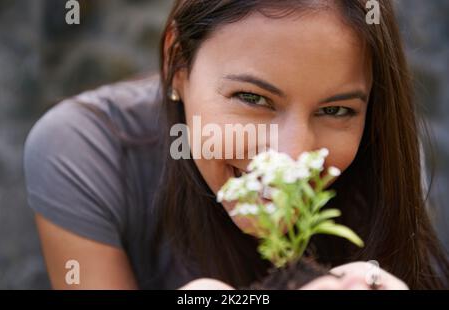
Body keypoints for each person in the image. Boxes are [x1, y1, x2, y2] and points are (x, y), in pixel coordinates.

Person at [24, 0, 449, 289]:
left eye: (336, 110)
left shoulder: (386, 148)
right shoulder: (83, 148)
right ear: (177, 63)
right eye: (253, 99)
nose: (292, 156)